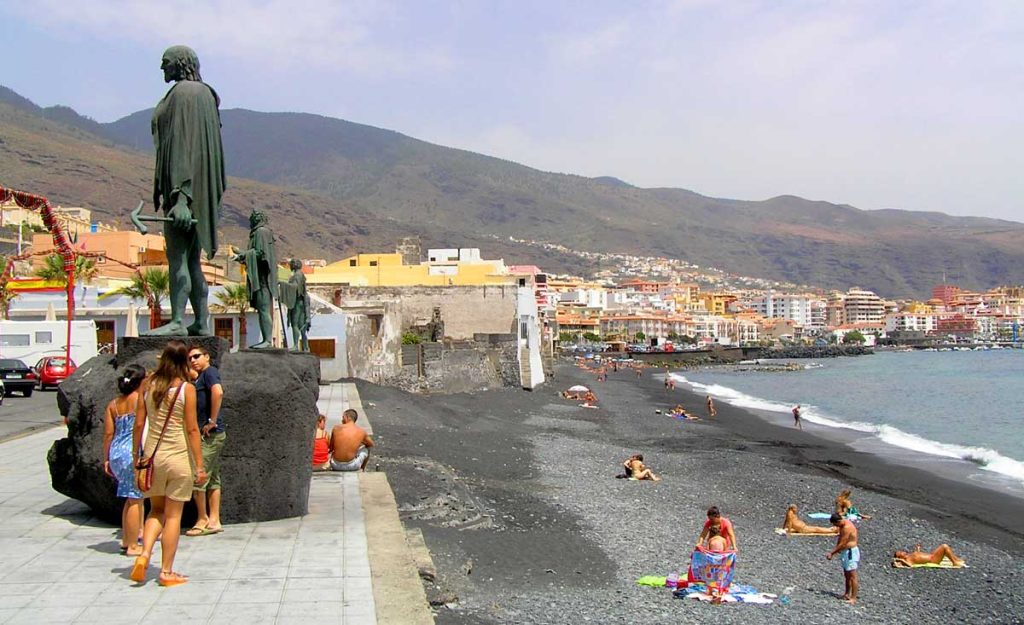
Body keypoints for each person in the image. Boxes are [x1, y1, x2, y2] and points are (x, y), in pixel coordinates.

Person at [147, 45, 225, 337]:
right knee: (193, 260)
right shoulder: (206, 95)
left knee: (178, 258)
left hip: (184, 194)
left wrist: (181, 197)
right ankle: (202, 322)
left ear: (179, 64)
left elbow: (183, 144)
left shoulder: (182, 94)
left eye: (165, 62)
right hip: (201, 195)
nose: (162, 68)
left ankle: (178, 320)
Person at [131, 340, 205, 586]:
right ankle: (166, 571)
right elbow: (193, 429)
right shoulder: (186, 389)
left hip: (152, 457)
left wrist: (136, 456)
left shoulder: (148, 386)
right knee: (173, 517)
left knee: (155, 511)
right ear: (184, 362)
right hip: (178, 457)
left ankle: (143, 554)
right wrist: (199, 465)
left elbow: (139, 424)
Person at [102, 364, 147, 556]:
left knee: (129, 498)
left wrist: (106, 458)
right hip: (132, 451)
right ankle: (132, 545)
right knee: (135, 498)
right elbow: (141, 425)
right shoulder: (140, 400)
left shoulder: (113, 404)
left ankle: (127, 539)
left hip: (116, 452)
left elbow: (108, 433)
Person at [185, 345, 225, 537]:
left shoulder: (210, 373)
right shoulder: (200, 375)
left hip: (209, 434)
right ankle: (214, 519)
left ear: (207, 356)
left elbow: (218, 392)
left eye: (197, 356)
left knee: (199, 476)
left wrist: (212, 420)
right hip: (213, 434)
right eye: (190, 358)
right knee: (213, 477)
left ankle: (202, 518)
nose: (193, 360)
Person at [231, 210, 278, 348]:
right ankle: (266, 340)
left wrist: (243, 255)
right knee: (262, 310)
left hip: (263, 278)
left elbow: (260, 254)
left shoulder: (261, 232)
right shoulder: (261, 232)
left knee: (264, 309)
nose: (250, 222)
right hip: (261, 277)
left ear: (256, 219)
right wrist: (242, 254)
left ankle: (267, 341)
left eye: (251, 219)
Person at [826, 512, 860, 604]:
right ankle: (846, 594)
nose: (835, 526)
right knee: (847, 574)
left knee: (852, 575)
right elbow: (840, 539)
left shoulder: (847, 527)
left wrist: (832, 553)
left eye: (835, 524)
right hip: (845, 552)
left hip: (850, 552)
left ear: (839, 521)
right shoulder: (842, 525)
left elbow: (843, 543)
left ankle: (853, 598)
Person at [892, 544, 965, 568]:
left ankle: (956, 560)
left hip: (932, 556)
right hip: (933, 560)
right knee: (944, 547)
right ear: (899, 557)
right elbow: (910, 565)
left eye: (901, 551)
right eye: (900, 553)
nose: (902, 552)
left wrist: (918, 549)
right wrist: (901, 561)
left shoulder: (910, 555)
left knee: (945, 548)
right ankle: (954, 562)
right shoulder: (907, 560)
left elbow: (918, 556)